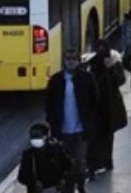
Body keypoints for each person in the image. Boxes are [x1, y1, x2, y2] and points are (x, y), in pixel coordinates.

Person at [44, 49, 97, 193]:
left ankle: (80, 186)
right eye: (68, 59)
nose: (71, 61)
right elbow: (48, 103)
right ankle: (68, 189)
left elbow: (94, 101)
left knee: (79, 163)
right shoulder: (56, 80)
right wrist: (51, 120)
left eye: (74, 59)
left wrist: (90, 122)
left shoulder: (86, 78)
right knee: (64, 164)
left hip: (80, 130)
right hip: (62, 131)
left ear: (79, 61)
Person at [85, 40, 127, 174]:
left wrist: (111, 69)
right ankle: (93, 164)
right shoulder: (91, 65)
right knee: (95, 137)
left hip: (110, 107)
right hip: (96, 107)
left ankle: (107, 161)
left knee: (108, 137)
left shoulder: (114, 63)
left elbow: (121, 80)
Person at [18, 122, 74, 192]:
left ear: (46, 136)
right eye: (34, 136)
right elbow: (22, 177)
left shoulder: (57, 149)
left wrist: (63, 179)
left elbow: (69, 166)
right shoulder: (28, 155)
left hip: (58, 188)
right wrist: (34, 182)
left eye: (38, 136)